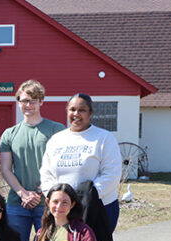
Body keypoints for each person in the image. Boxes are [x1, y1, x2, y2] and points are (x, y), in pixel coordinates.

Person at [0, 80, 65, 241]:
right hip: (18, 204)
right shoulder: (9, 134)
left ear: (41, 102)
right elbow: (6, 169)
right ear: (18, 102)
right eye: (24, 100)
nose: (28, 105)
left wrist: (38, 192)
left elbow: (59, 167)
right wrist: (22, 193)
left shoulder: (56, 130)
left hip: (48, 203)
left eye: (33, 101)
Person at [40, 93, 122, 232]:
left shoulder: (104, 138)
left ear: (90, 113)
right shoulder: (56, 140)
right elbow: (46, 174)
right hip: (63, 210)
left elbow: (111, 175)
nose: (76, 114)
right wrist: (58, 199)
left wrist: (83, 198)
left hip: (98, 208)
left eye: (82, 110)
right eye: (72, 109)